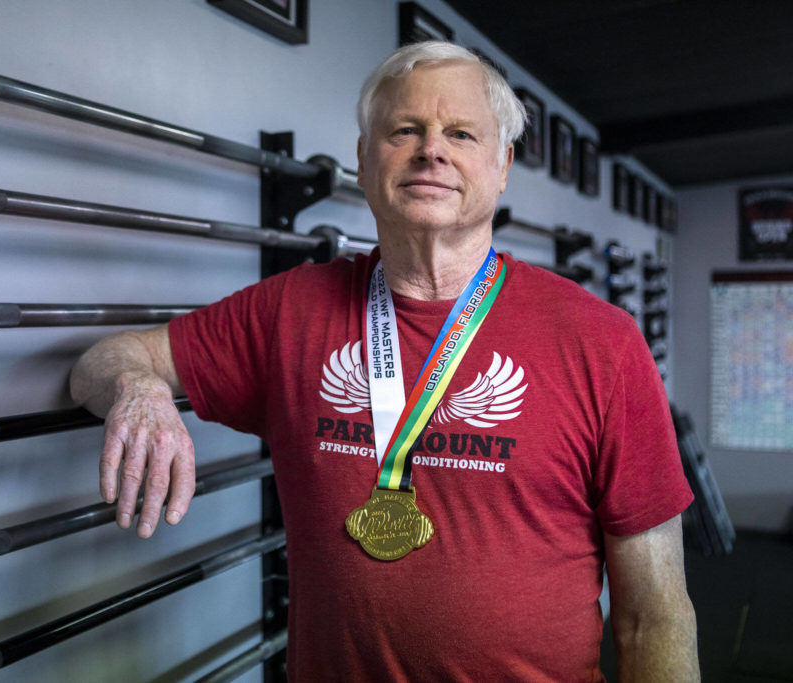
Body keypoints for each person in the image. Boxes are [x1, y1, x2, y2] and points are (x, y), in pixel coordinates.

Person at [70, 41, 698, 681]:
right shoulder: (289, 312)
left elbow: (655, 617)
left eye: (461, 132)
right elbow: (100, 361)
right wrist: (138, 386)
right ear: (365, 160)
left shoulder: (602, 342)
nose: (432, 149)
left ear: (502, 166)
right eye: (405, 130)